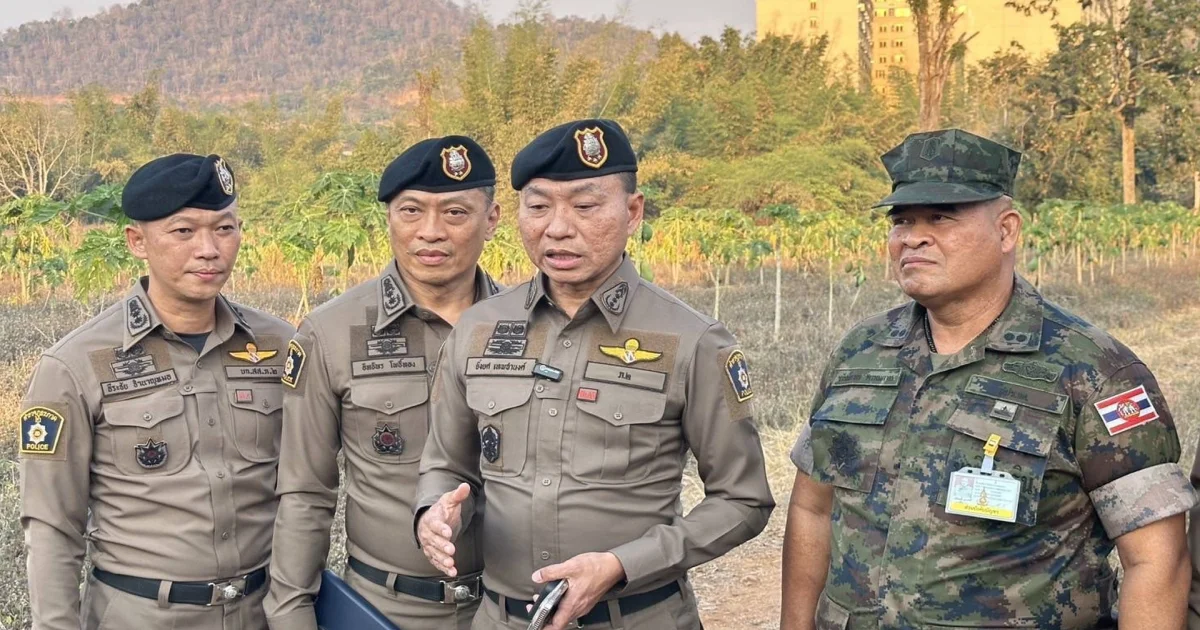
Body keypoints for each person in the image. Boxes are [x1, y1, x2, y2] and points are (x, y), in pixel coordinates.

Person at [780, 129, 1197, 630]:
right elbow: (812, 507)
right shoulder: (859, 353)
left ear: (1006, 231)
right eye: (902, 221)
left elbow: (1155, 559)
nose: (913, 236)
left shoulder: (1095, 372)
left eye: (940, 217)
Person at [414, 119, 775, 630]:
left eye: (584, 207)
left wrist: (624, 565)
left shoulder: (692, 340)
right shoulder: (479, 327)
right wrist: (435, 513)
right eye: (538, 207)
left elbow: (743, 500)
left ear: (632, 212)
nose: (557, 228)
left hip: (636, 617)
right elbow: (447, 465)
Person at [19, 154, 295, 630]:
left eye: (224, 229)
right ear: (137, 241)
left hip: (261, 612)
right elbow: (51, 527)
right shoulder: (74, 364)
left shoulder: (277, 344)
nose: (209, 249)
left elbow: (307, 486)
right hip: (141, 616)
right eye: (183, 232)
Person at [265, 136, 503, 630]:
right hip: (386, 609)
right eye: (411, 211)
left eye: (455, 213)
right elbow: (305, 492)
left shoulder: (528, 328)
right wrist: (290, 614)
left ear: (493, 219)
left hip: (512, 608)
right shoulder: (330, 333)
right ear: (389, 218)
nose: (430, 233)